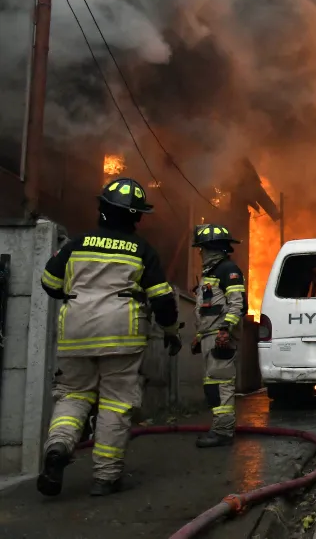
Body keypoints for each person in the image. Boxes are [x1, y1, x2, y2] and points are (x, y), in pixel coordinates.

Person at [36, 177, 181, 497]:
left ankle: (58, 446)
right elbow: (162, 300)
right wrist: (171, 332)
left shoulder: (75, 244)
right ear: (137, 217)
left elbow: (49, 282)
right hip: (121, 335)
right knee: (116, 402)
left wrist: (80, 295)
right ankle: (105, 477)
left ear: (102, 208)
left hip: (75, 332)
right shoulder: (142, 250)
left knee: (73, 395)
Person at [190, 223, 246, 448]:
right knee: (212, 385)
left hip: (220, 337)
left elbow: (237, 304)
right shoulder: (210, 274)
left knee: (221, 384)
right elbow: (207, 307)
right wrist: (199, 335)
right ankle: (219, 427)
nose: (201, 253)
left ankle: (223, 431)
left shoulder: (228, 270)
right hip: (209, 336)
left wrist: (225, 330)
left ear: (212, 248)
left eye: (202, 248)